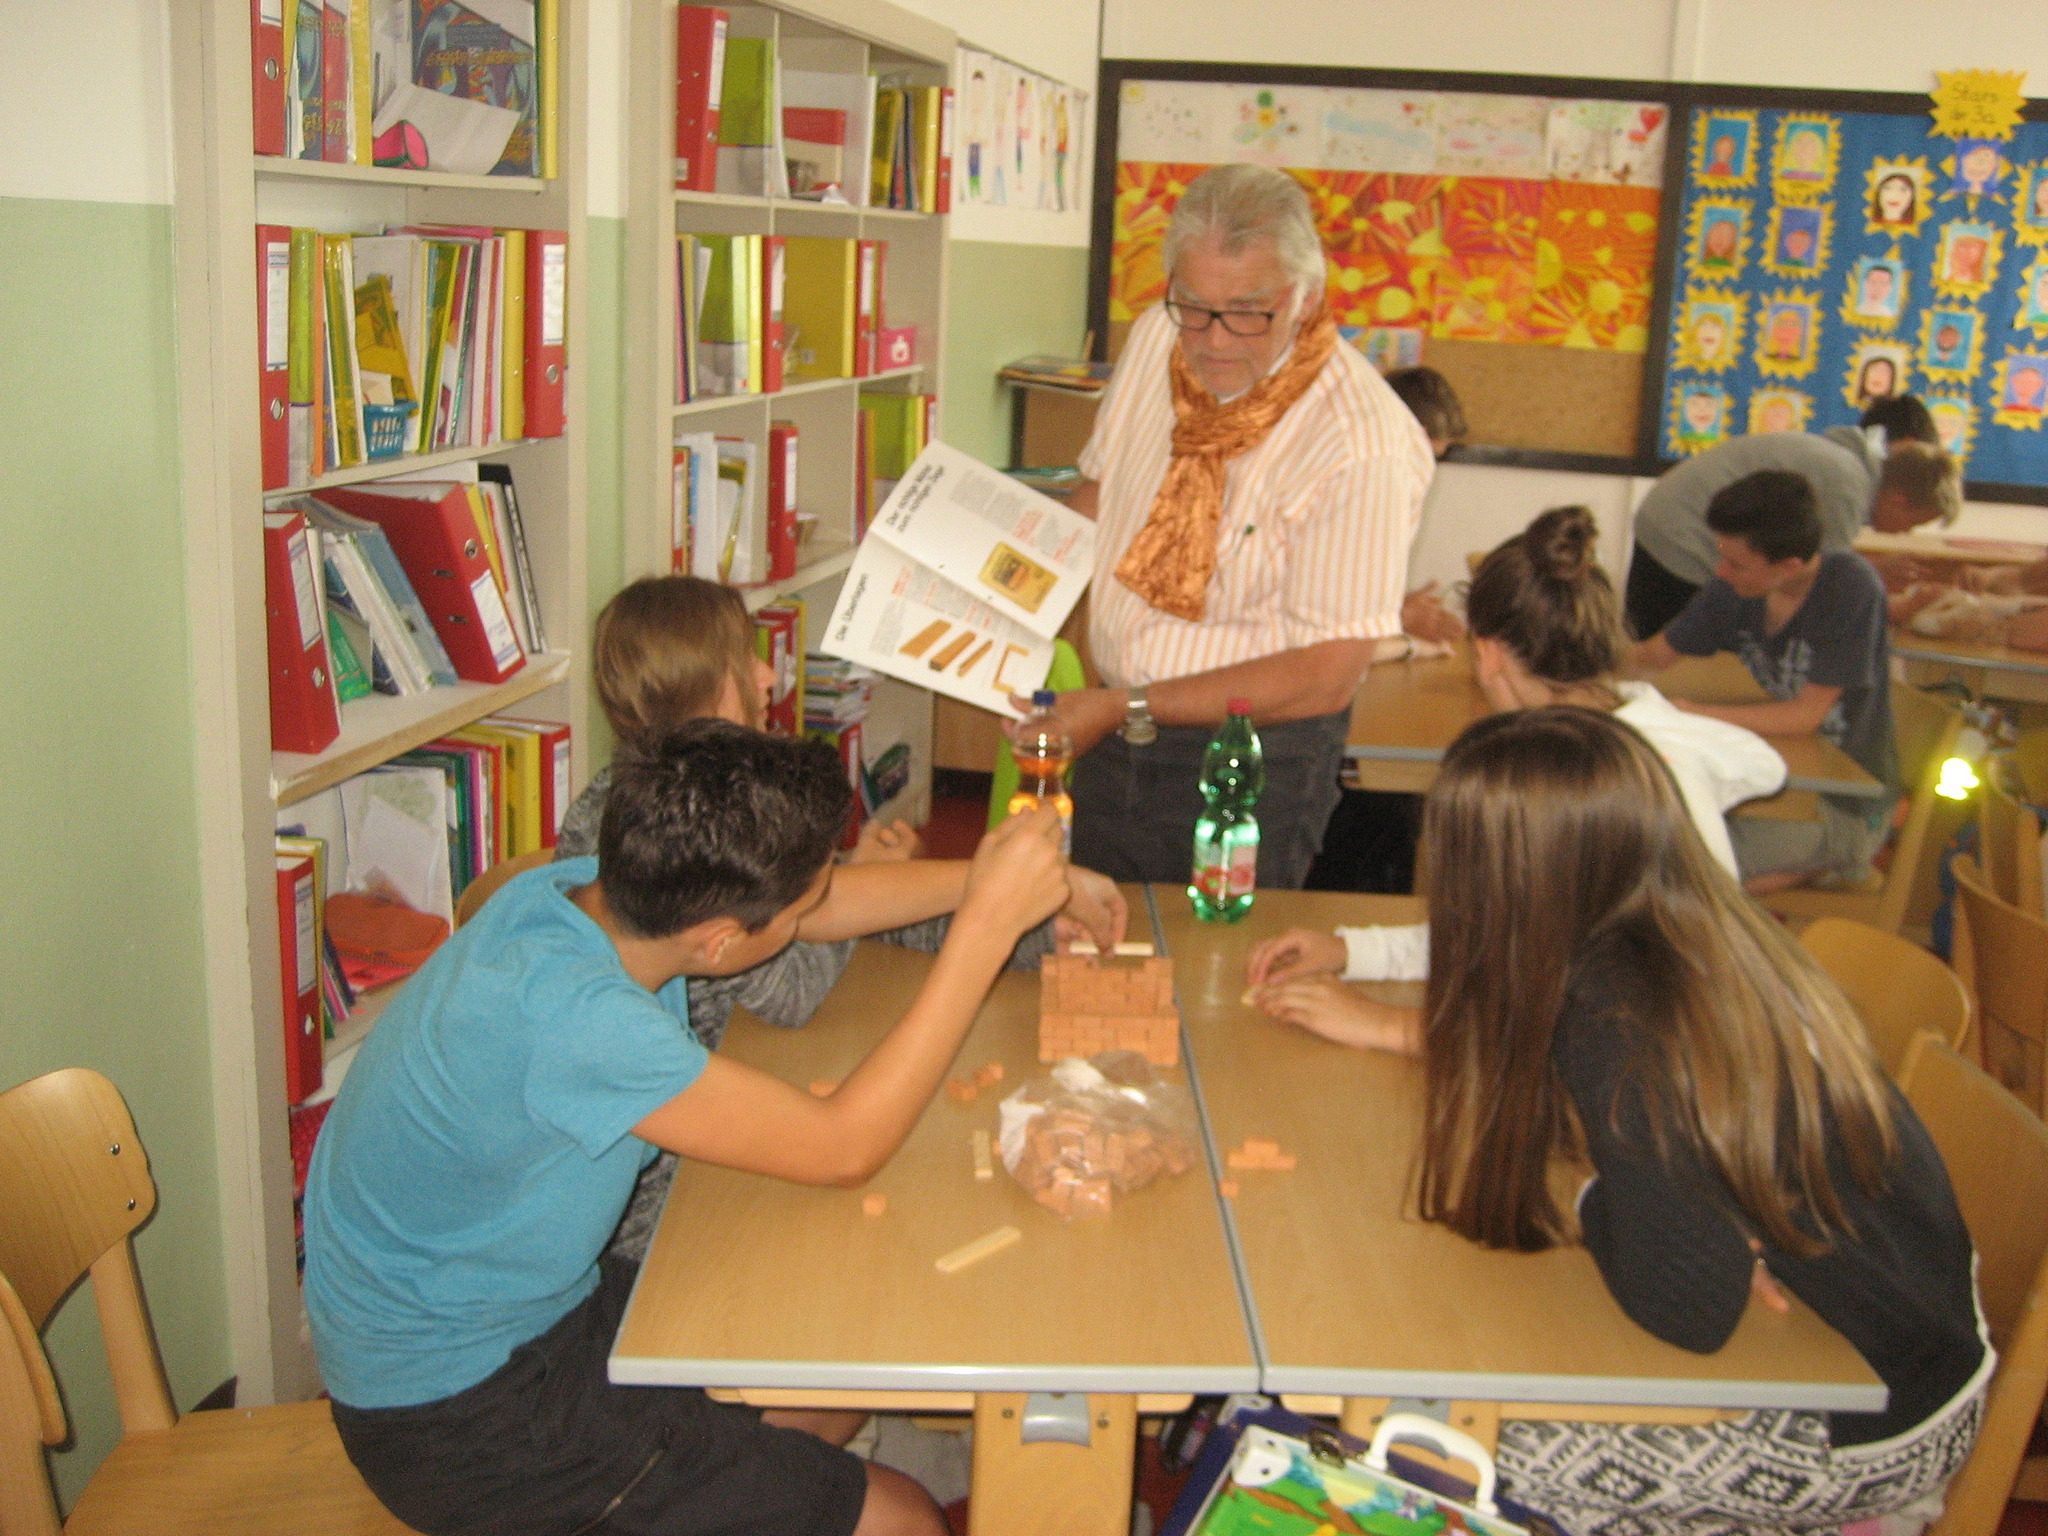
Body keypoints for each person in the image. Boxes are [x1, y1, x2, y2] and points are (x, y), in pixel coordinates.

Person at [306, 721, 1077, 1536]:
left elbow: (816, 908)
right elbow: (842, 1145)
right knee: (906, 1521)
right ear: (720, 941)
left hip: (525, 1315)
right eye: (799, 899)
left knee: (839, 1372)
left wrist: (982, 878)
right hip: (459, 1415)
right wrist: (986, 930)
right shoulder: (578, 1019)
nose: (817, 903)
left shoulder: (591, 895)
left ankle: (758, 1480)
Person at [1250, 708, 1987, 1536]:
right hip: (1915, 1336)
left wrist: (1611, 1194)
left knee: (1415, 1456)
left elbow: (1687, 1304)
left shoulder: (1619, 1021)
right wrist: (1688, 1213)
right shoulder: (1685, 931)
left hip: (1867, 1418)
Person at [558, 574, 1122, 1259]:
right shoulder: (679, 836)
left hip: (728, 1120)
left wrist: (1020, 919)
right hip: (675, 1198)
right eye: (747, 662)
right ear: (703, 692)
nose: (771, 674)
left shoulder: (701, 795)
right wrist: (976, 918)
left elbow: (825, 910)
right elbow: (796, 979)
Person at [1028, 162, 1434, 887]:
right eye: (1193, 305)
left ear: (1305, 298)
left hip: (1253, 759)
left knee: (1212, 964)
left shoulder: (1360, 443)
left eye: (1248, 311)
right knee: (1089, 940)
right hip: (1114, 727)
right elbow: (1102, 497)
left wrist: (1125, 705)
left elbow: (1324, 676)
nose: (1213, 339)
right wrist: (996, 610)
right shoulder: (1161, 338)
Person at [1241, 505, 1784, 992]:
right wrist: (1354, 951)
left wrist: (1389, 1027)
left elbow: (1563, 1007)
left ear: (1488, 654)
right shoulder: (1641, 734)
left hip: (1676, 1068)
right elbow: (1501, 937)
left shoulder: (1574, 781)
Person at [1634, 470, 1898, 892]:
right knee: (1645, 842)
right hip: (1769, 787)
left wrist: (1693, 714)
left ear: (1788, 566)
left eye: (1735, 562)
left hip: (1841, 805)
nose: (1720, 570)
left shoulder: (1850, 588)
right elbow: (1649, 657)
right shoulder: (1735, 585)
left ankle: (1827, 867)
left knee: (1682, 875)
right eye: (1720, 554)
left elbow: (1805, 716)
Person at [1624, 418, 1961, 639]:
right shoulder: (1846, 486)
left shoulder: (1848, 467)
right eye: (1915, 523)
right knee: (1677, 657)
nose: (1906, 534)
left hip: (1672, 524)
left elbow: (1808, 562)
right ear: (1899, 500)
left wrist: (1872, 569)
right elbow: (1822, 589)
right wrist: (1901, 609)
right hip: (1684, 539)